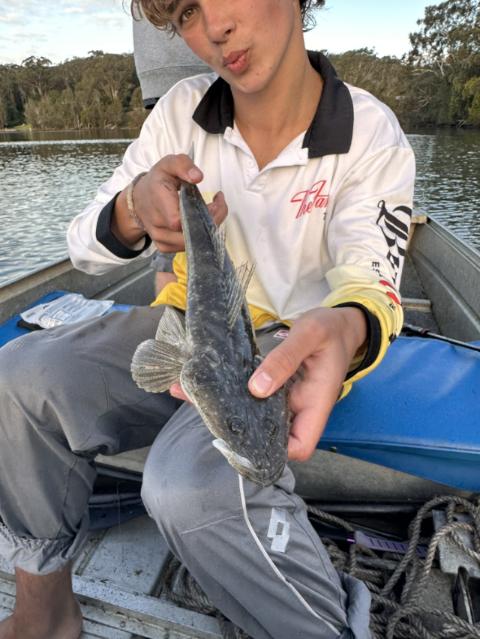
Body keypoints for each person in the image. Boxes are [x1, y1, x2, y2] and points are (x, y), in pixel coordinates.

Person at [0, 1, 415, 638]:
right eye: (188, 12)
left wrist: (348, 325)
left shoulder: (369, 132)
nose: (214, 28)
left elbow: (371, 279)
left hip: (290, 344)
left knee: (190, 485)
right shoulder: (180, 113)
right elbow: (84, 245)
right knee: (18, 375)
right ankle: (46, 607)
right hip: (183, 326)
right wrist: (134, 208)